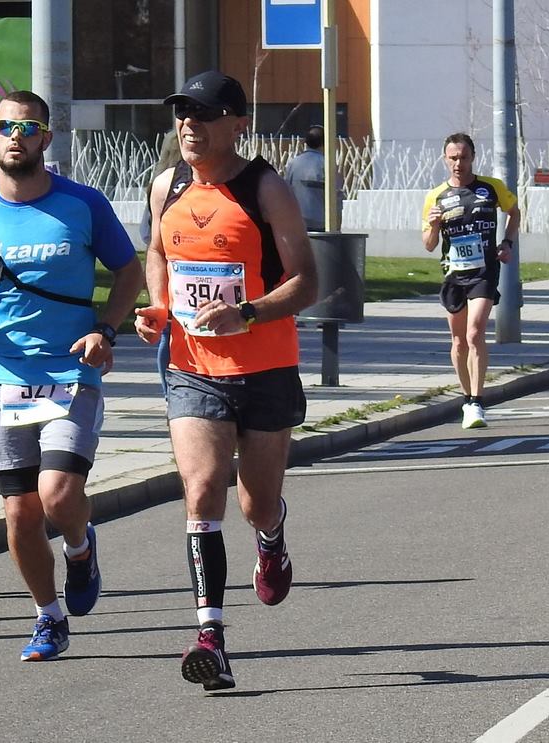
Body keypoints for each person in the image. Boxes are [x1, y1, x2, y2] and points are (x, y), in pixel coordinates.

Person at [133, 71, 318, 691]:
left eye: (204, 114)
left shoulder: (267, 189)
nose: (189, 125)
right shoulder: (167, 185)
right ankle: (210, 637)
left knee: (254, 502)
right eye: (182, 114)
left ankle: (272, 537)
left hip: (265, 369)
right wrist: (158, 307)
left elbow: (307, 281)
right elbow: (158, 252)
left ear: (238, 124)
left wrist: (248, 313)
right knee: (204, 488)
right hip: (193, 368)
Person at [0, 90, 144, 661]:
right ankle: (47, 616)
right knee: (20, 512)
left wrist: (106, 328)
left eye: (28, 128)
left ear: (45, 139)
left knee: (58, 495)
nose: (16, 137)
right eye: (7, 127)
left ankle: (80, 548)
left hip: (72, 371)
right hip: (4, 376)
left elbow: (128, 271)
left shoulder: (82, 203)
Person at [421, 133, 520, 427]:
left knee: (475, 333)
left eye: (464, 157)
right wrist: (435, 225)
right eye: (453, 158)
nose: (458, 163)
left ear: (473, 158)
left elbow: (514, 212)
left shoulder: (491, 188)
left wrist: (507, 243)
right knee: (458, 340)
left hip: (484, 270)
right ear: (444, 159)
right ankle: (466, 398)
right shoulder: (435, 196)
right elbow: (427, 243)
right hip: (454, 273)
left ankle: (477, 401)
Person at [139, 132, 184, 393]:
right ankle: (172, 389)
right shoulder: (164, 185)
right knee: (170, 332)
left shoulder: (156, 183)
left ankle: (169, 390)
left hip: (166, 268)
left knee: (168, 332)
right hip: (172, 267)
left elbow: (146, 233)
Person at [283, 124, 343, 232]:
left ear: (305, 142)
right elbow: (337, 196)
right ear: (325, 143)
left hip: (297, 223)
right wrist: (337, 228)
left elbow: (286, 192)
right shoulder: (328, 164)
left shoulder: (293, 164)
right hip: (322, 225)